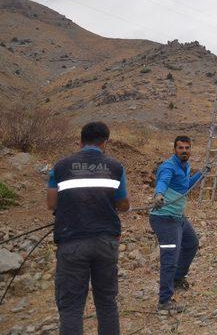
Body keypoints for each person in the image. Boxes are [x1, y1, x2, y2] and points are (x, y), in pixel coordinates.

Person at [47, 122, 129, 334]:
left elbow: (51, 204)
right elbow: (123, 205)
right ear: (105, 142)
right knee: (107, 302)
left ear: (81, 141)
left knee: (72, 307)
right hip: (106, 242)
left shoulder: (60, 166)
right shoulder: (116, 167)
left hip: (71, 241)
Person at [149, 136, 209, 312]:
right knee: (170, 258)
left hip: (177, 217)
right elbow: (163, 181)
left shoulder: (185, 166)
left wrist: (200, 173)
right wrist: (158, 194)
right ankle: (164, 302)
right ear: (174, 149)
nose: (184, 151)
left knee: (191, 244)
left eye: (187, 148)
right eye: (181, 148)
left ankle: (176, 279)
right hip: (164, 218)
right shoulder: (169, 166)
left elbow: (184, 188)